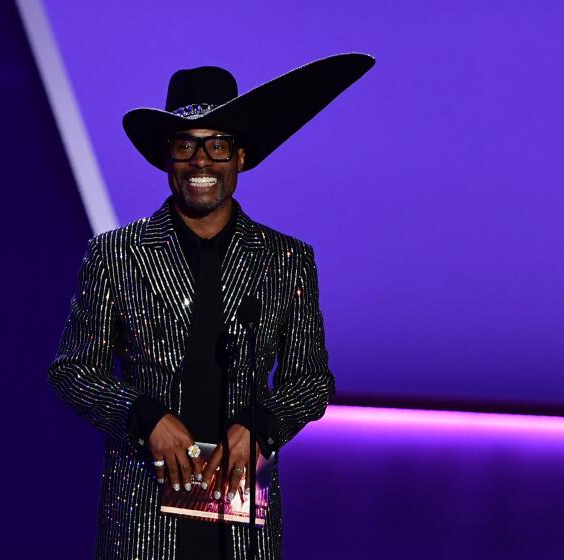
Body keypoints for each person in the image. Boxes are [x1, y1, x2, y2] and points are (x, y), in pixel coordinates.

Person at [49, 53, 374, 560]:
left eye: (217, 145)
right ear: (167, 158)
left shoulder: (285, 259)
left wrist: (261, 425)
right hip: (142, 514)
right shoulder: (117, 254)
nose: (201, 161)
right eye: (186, 145)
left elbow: (311, 380)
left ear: (240, 156)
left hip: (240, 519)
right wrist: (144, 415)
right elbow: (72, 371)